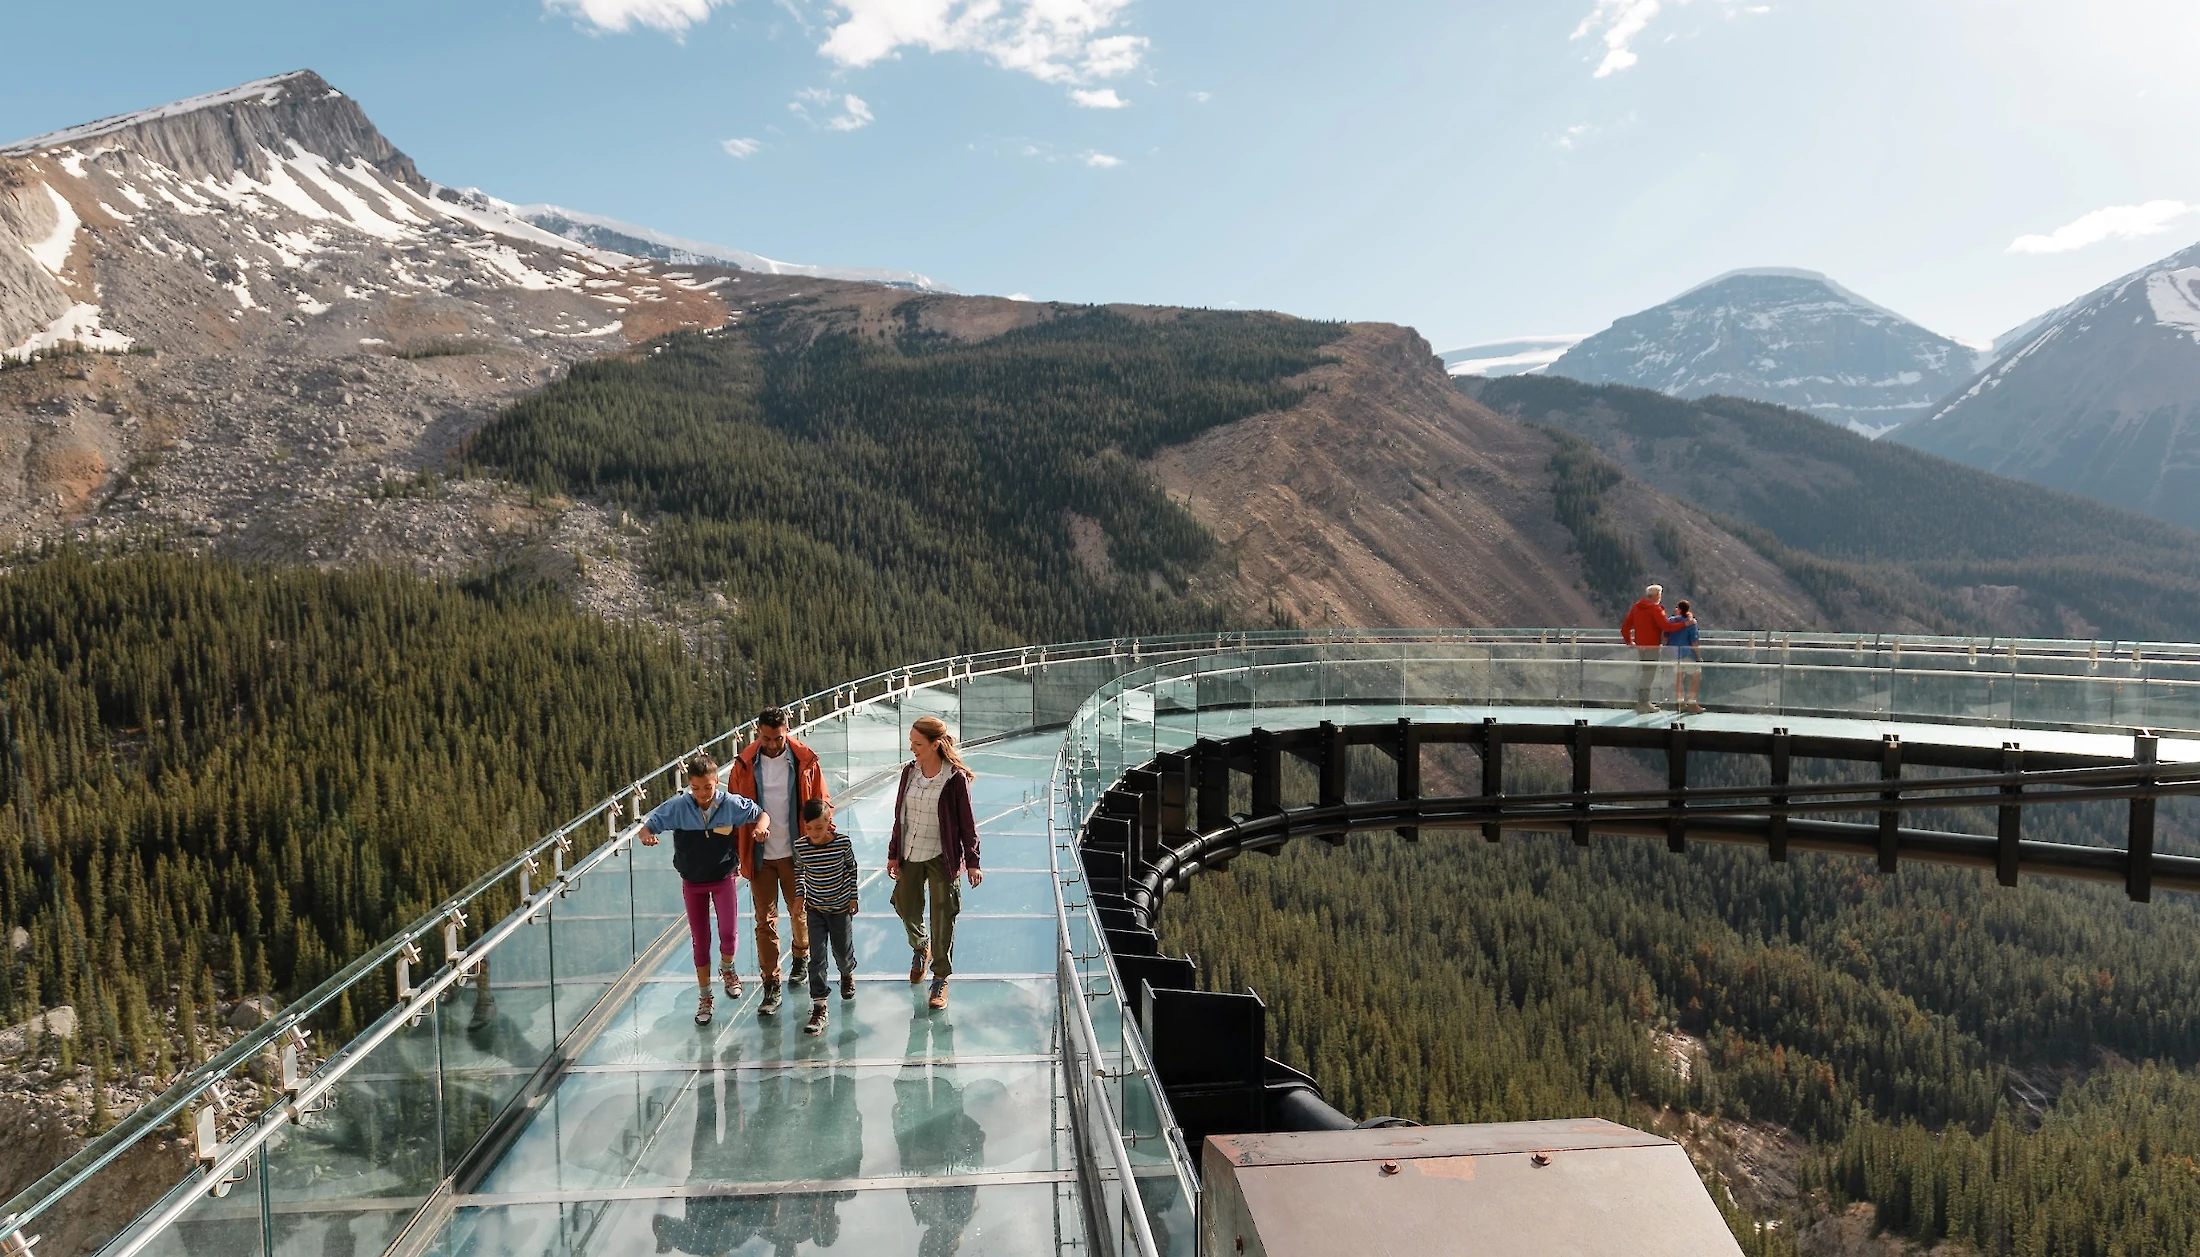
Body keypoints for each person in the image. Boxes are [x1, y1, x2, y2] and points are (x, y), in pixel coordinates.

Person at [639, 754, 767, 1026]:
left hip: (722, 878)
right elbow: (649, 825)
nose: (701, 794)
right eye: (695, 788)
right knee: (701, 941)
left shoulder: (731, 804)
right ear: (689, 785)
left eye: (707, 787)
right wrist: (647, 835)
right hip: (693, 883)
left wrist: (761, 829)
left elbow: (760, 813)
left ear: (716, 782)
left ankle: (728, 968)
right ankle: (705, 997)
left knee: (728, 933)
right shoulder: (677, 808)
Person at [725, 707, 831, 1018]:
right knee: (764, 921)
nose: (771, 744)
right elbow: (733, 810)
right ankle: (771, 985)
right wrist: (735, 852)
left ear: (787, 730)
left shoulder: (804, 761)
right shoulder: (743, 764)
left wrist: (822, 843)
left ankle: (800, 955)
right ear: (757, 733)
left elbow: (822, 803)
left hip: (796, 852)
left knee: (800, 913)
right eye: (765, 738)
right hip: (760, 857)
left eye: (777, 737)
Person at [887, 716, 982, 1011]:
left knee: (943, 918)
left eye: (918, 744)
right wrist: (893, 853)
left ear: (935, 745)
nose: (912, 749)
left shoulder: (954, 778)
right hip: (910, 853)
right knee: (905, 906)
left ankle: (940, 977)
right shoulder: (909, 772)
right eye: (911, 743)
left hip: (943, 856)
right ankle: (920, 947)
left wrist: (973, 861)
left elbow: (967, 823)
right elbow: (899, 816)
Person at [796, 798, 861, 1035]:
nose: (814, 833)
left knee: (842, 953)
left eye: (819, 828)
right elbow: (799, 872)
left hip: (840, 908)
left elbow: (851, 869)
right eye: (809, 828)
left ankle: (847, 973)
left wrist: (853, 897)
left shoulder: (842, 844)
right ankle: (819, 1006)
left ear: (829, 823)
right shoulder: (801, 847)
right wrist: (800, 895)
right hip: (815, 910)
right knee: (817, 958)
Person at [1620, 583, 1671, 714]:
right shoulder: (1655, 609)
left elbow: (1625, 627)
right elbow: (1666, 626)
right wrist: (1685, 624)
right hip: (1652, 646)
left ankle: (1642, 701)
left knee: (1645, 672)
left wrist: (1630, 642)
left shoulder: (1637, 607)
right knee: (1649, 674)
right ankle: (1643, 702)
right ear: (1656, 595)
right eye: (1660, 594)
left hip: (1641, 646)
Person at [1666, 598, 1704, 714]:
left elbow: (1666, 637)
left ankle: (1680, 702)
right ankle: (1692, 702)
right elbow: (1694, 642)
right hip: (1688, 654)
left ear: (1678, 609)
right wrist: (1698, 656)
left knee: (1678, 678)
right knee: (1696, 676)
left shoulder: (1671, 621)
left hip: (1674, 653)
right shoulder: (1691, 623)